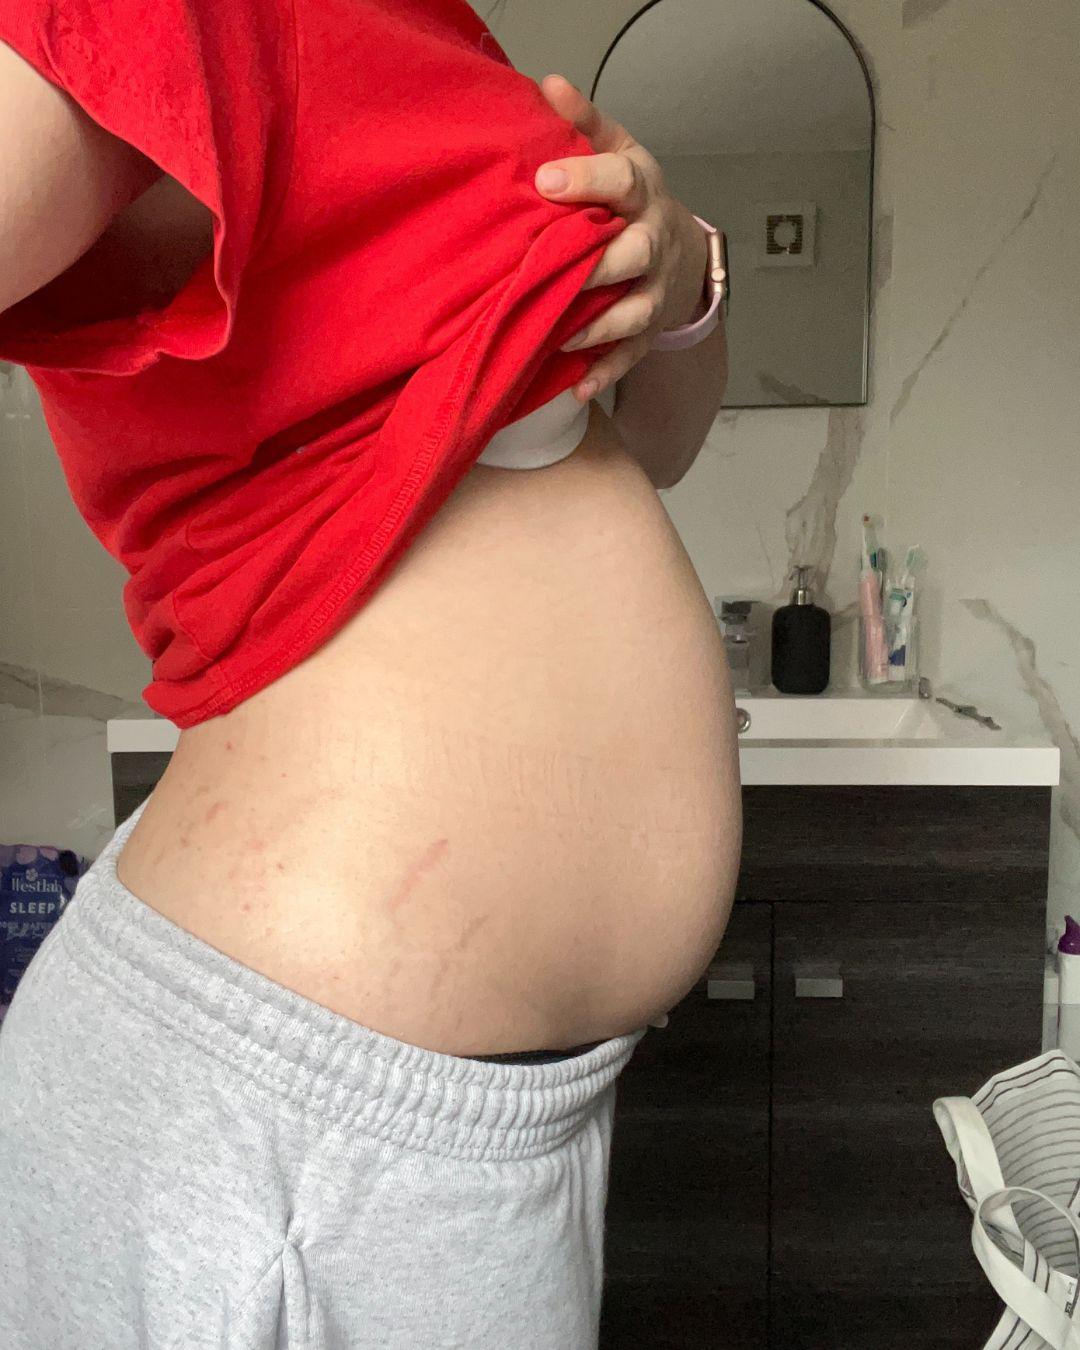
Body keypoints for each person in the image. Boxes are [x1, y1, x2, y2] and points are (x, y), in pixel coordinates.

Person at [0, 1, 741, 1345]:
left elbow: (658, 444)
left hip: (476, 1131)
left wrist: (677, 272)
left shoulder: (435, 44)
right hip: (273, 1136)